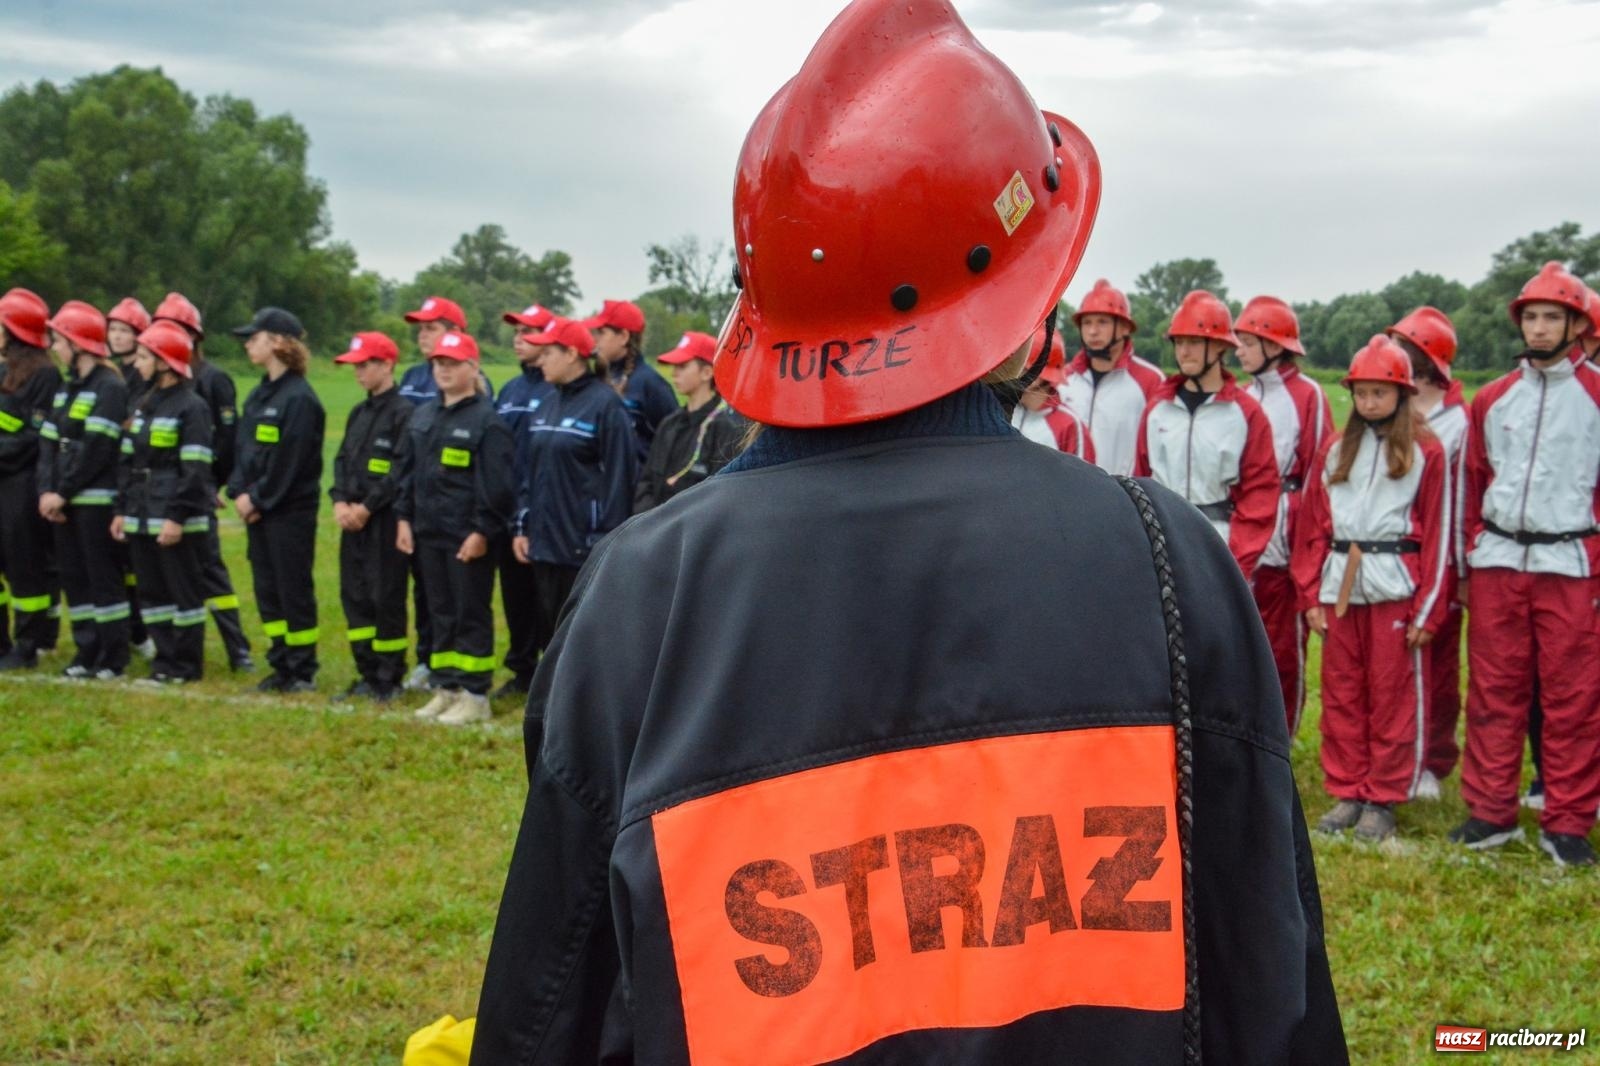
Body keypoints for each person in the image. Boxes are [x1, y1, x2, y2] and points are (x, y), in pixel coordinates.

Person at [472, 2, 1344, 1061]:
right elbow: (1267, 974)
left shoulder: (641, 591)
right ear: (1029, 310)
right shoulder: (1166, 565)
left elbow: (551, 995)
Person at [1453, 261, 1600, 868]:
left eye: (1551, 317)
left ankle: (1566, 822)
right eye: (1531, 317)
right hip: (1500, 560)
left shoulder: (1596, 396)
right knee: (1493, 689)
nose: (1539, 329)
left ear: (1577, 323)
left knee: (1573, 697)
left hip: (1572, 562)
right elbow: (1475, 482)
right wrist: (1468, 562)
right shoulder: (1492, 397)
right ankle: (1490, 811)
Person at [1294, 335, 1450, 843]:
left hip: (1395, 588)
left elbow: (1439, 531)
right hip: (1342, 586)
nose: (1368, 402)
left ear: (1402, 395)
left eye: (1379, 393)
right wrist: (1312, 594)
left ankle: (1384, 795)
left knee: (1391, 696)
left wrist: (1428, 609)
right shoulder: (1336, 450)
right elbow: (1315, 527)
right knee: (1341, 693)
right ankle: (1348, 789)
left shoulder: (1427, 452)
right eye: (1361, 393)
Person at [394, 331, 515, 725]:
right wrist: (403, 519)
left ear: (472, 368)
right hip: (429, 532)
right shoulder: (424, 416)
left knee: (470, 614)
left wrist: (482, 532)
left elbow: (497, 488)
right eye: (438, 363)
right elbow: (407, 474)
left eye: (452, 363)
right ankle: (446, 688)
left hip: (467, 538)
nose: (443, 370)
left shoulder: (487, 421)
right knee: (440, 612)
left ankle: (474, 693)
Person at [510, 317, 637, 661]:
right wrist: (523, 525)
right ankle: (548, 707)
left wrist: (603, 540)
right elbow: (529, 472)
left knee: (581, 638)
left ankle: (578, 708)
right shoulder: (544, 405)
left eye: (548, 352)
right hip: (543, 543)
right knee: (548, 631)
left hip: (582, 546)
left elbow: (620, 480)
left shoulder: (606, 406)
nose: (539, 360)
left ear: (571, 354)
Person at [1234, 296, 1333, 735]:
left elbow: (1317, 472)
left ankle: (1283, 739)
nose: (1238, 350)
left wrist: (1307, 550)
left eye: (1249, 341)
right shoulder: (1242, 396)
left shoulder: (1307, 395)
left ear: (1275, 345)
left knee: (1285, 652)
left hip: (1288, 539)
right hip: (1248, 533)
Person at [1134, 290, 1279, 583]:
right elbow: (1140, 479)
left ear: (1218, 347)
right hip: (1161, 542)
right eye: (1179, 342)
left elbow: (1260, 494)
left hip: (1219, 543)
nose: (1184, 351)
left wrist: (1234, 561)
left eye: (1194, 342)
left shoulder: (1246, 412)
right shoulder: (1157, 409)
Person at [1385, 306, 1466, 800]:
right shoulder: (1398, 411)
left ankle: (1433, 759)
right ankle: (1408, 757)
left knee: (1441, 668)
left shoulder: (1458, 420)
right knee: (1407, 665)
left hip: (1452, 552)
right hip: (1408, 554)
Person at [152, 292, 253, 672]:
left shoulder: (213, 380)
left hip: (198, 490)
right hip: (164, 492)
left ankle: (237, 648)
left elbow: (227, 440)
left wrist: (213, 485)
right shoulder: (155, 383)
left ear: (194, 337)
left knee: (210, 570)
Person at [226, 307, 325, 693]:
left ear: (280, 342)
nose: (249, 343)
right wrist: (239, 491)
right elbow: (243, 450)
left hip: (288, 513)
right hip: (258, 511)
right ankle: (281, 662)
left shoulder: (299, 398)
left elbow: (291, 462)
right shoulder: (258, 394)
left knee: (291, 588)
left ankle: (302, 669)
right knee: (267, 589)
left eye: (256, 336)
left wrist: (259, 498)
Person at [111, 321, 215, 683]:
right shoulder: (144, 404)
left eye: (143, 356)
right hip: (140, 514)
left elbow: (196, 470)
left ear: (165, 363)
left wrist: (176, 517)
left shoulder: (192, 407)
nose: (137, 363)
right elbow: (127, 461)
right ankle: (164, 663)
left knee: (182, 592)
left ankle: (186, 666)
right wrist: (121, 510)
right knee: (152, 592)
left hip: (173, 518)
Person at [37, 301, 131, 680]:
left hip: (93, 501)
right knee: (74, 579)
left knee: (101, 578)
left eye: (59, 340)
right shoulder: (67, 388)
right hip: (63, 502)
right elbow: (48, 443)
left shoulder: (109, 388)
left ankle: (112, 656)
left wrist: (63, 491)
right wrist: (47, 491)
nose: (55, 347)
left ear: (78, 344)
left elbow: (96, 449)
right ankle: (85, 649)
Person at [329, 332, 414, 702]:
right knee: (356, 596)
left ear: (387, 365)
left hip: (383, 521)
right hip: (352, 521)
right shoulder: (358, 413)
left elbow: (399, 470)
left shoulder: (404, 413)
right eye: (355, 366)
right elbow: (342, 461)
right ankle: (365, 672)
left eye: (365, 365)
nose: (358, 372)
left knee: (386, 598)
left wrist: (366, 507)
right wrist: (340, 502)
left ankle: (389, 677)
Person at [397, 295, 471, 691]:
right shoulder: (412, 377)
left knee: (452, 597)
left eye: (431, 327)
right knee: (423, 590)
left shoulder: (469, 379)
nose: (423, 335)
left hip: (452, 510)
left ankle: (454, 670)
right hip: (419, 502)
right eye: (421, 328)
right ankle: (427, 657)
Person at [492, 304, 558, 700]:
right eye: (516, 333)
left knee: (546, 597)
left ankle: (549, 676)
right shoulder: (510, 390)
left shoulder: (555, 387)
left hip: (545, 510)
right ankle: (520, 669)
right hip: (507, 507)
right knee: (514, 594)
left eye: (529, 332)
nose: (519, 339)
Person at [0, 287, 63, 668]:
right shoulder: (3, 372)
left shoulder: (45, 376)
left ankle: (28, 646)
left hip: (20, 485)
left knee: (23, 567)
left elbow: (33, 437)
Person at [634, 330, 749, 512]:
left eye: (682, 366)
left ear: (706, 372)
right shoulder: (669, 424)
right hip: (653, 533)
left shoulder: (726, 429)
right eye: (674, 367)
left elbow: (719, 500)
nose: (674, 373)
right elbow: (646, 482)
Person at [1056, 278, 1161, 475]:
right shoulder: (1064, 379)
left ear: (1124, 327)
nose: (1093, 331)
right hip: (1070, 493)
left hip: (1126, 498)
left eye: (1102, 322)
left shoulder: (1151, 380)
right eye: (1086, 323)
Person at [105, 296, 154, 658]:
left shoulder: (144, 376)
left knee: (138, 563)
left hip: (135, 478)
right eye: (113, 329)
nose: (118, 337)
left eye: (125, 331)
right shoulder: (108, 374)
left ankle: (143, 630)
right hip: (111, 475)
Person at [583, 299, 677, 463]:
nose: (595, 339)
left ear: (623, 337)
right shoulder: (599, 378)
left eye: (601, 332)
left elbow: (675, 442)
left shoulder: (651, 384)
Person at [1009, 327, 1092, 459]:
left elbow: (1085, 478)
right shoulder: (1002, 412)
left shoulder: (1069, 424)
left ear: (1040, 372)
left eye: (1022, 369)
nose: (1012, 375)